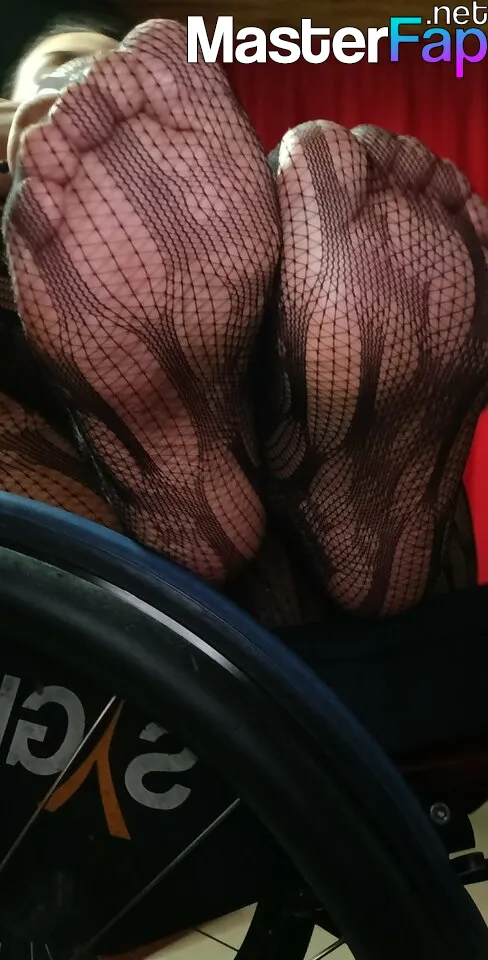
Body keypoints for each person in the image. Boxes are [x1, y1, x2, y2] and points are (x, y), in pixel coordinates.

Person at [0, 14, 486, 955]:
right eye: (61, 76)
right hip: (310, 693)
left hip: (117, 706)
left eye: (115, 77)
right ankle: (289, 470)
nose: (92, 95)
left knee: (289, 319)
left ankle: (237, 454)